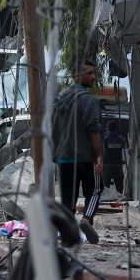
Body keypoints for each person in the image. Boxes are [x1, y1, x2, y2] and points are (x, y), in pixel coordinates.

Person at [52, 60, 103, 244]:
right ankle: (86, 220)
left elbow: (52, 128)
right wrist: (99, 155)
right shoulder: (89, 100)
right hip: (86, 157)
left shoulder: (59, 98)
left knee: (68, 200)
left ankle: (67, 237)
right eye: (89, 73)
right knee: (95, 190)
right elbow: (93, 129)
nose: (93, 77)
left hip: (64, 159)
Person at [101, 121, 128, 196]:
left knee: (105, 188)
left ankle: (106, 202)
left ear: (107, 128)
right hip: (118, 166)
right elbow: (125, 146)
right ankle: (120, 202)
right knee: (119, 187)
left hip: (107, 166)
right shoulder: (120, 138)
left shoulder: (105, 138)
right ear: (115, 129)